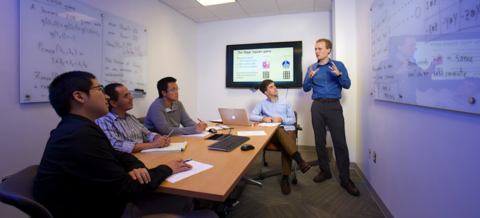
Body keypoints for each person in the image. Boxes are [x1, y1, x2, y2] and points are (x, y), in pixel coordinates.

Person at [33, 71, 198, 218]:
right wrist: (167, 168)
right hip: (106, 210)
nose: (106, 96)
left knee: (185, 198)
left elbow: (117, 154)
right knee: (199, 208)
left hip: (106, 202)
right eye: (100, 90)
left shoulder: (77, 128)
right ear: (79, 96)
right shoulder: (80, 136)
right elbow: (126, 189)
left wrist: (135, 164)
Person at [303, 38, 360, 196]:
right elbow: (306, 88)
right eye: (315, 49)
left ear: (329, 50)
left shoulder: (338, 65)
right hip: (318, 106)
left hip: (334, 106)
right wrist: (309, 77)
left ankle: (345, 179)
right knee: (319, 141)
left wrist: (339, 74)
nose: (316, 51)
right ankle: (325, 171)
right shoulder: (312, 67)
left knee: (340, 142)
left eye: (320, 48)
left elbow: (347, 84)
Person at [250, 79, 311, 195]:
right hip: (273, 135)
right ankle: (299, 161)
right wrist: (263, 118)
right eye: (271, 87)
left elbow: (292, 120)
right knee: (279, 129)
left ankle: (285, 178)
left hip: (288, 130)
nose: (275, 88)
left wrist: (281, 119)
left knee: (284, 138)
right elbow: (251, 116)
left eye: (275, 86)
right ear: (266, 92)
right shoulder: (262, 104)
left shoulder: (286, 102)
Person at [95, 83, 170, 153]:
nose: (131, 97)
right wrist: (153, 145)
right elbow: (116, 145)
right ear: (113, 103)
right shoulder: (104, 121)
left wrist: (159, 138)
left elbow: (147, 134)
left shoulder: (131, 118)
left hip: (143, 156)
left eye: (130, 94)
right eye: (126, 95)